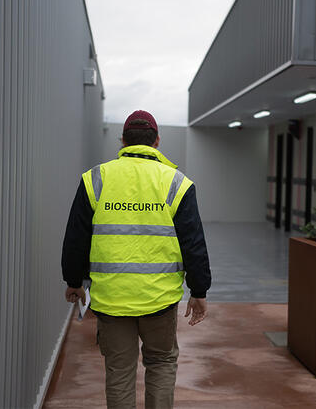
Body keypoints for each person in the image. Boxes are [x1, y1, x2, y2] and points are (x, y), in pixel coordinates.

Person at [61, 110, 211, 408]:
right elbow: (192, 241)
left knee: (119, 372)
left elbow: (77, 237)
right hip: (159, 299)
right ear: (156, 141)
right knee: (161, 363)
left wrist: (74, 281)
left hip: (112, 299)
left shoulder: (96, 179)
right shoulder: (176, 183)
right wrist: (199, 290)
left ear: (123, 141)